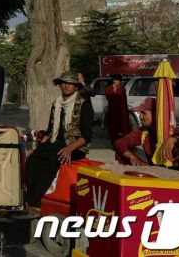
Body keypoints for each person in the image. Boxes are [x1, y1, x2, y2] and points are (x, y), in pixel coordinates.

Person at [25, 72, 94, 214]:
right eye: (64, 83)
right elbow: (51, 130)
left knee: (52, 160)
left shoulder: (83, 104)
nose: (66, 85)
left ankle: (34, 201)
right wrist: (40, 145)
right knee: (33, 160)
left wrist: (69, 149)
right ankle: (33, 197)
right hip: (57, 142)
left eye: (70, 83)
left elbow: (86, 136)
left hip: (76, 146)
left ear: (75, 87)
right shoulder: (56, 103)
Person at [113, 97, 179, 166]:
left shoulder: (170, 129)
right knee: (121, 154)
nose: (140, 117)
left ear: (155, 114)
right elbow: (119, 143)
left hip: (175, 172)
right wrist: (132, 157)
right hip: (155, 170)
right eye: (140, 113)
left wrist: (174, 139)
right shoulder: (143, 131)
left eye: (143, 113)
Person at [105, 73, 130, 143]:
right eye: (114, 80)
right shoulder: (108, 88)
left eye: (117, 80)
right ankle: (114, 143)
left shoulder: (122, 88)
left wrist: (126, 111)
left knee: (125, 128)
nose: (115, 81)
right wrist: (114, 89)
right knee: (113, 128)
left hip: (122, 111)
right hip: (112, 111)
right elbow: (108, 97)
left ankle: (126, 143)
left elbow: (124, 99)